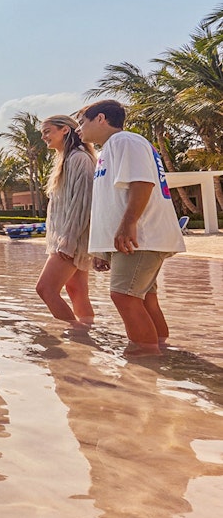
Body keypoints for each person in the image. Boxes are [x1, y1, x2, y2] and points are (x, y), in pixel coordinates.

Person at [77, 99, 186, 355]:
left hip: (141, 237)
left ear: (101, 118)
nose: (79, 129)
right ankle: (161, 349)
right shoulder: (109, 150)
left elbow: (141, 182)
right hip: (133, 240)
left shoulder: (125, 141)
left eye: (82, 122)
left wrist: (128, 225)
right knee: (145, 298)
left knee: (123, 295)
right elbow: (110, 202)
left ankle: (146, 358)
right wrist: (102, 250)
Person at [35, 115, 97, 328]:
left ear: (65, 130)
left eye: (47, 131)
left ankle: (77, 337)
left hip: (73, 238)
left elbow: (82, 203)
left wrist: (67, 242)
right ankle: (87, 332)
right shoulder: (65, 159)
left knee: (45, 289)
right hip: (69, 237)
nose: (44, 137)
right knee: (77, 291)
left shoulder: (79, 159)